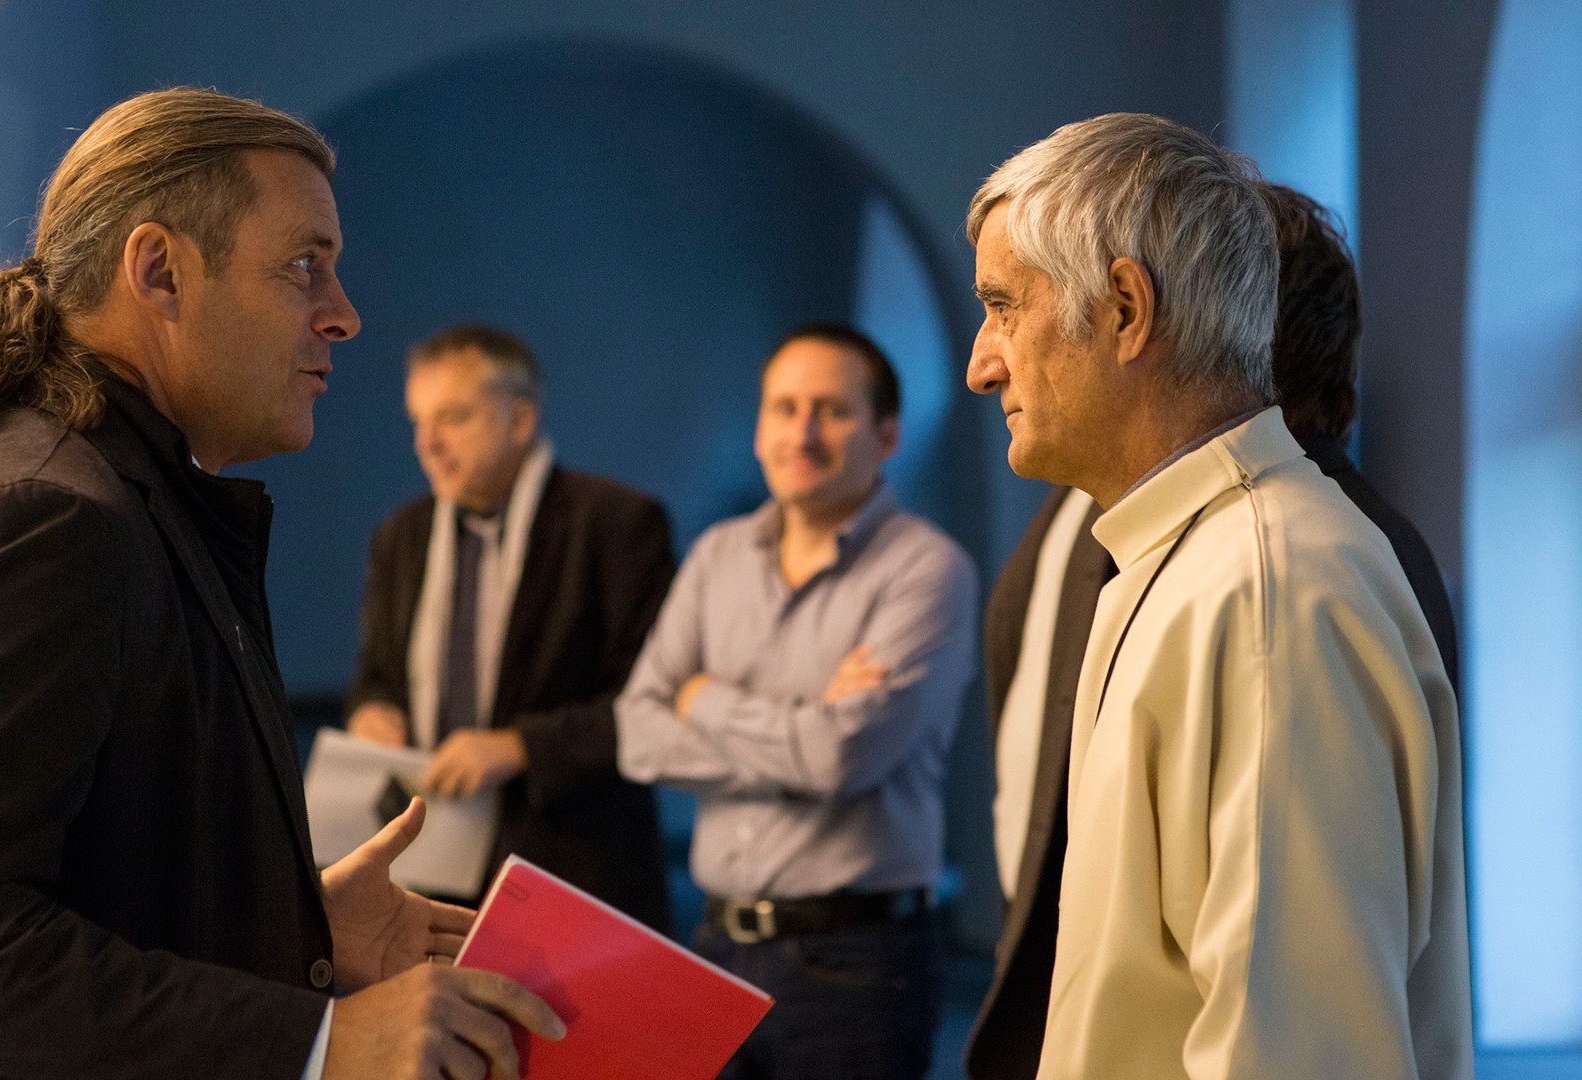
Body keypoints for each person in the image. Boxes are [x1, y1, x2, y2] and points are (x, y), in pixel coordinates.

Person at [0, 88, 561, 1080]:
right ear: (158, 269)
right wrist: (322, 1039)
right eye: (303, 265)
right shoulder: (43, 515)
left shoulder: (87, 485)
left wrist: (288, 928)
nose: (344, 314)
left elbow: (72, 875)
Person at [963, 113, 1471, 1079]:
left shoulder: (1268, 597)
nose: (984, 363)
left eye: (1004, 306)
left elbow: (1299, 1057)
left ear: (1123, 309)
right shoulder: (1188, 561)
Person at [617, 324, 977, 1080]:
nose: (802, 432)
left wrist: (704, 699)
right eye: (784, 408)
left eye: (831, 411)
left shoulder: (928, 570)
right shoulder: (718, 556)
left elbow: (842, 757)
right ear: (758, 430)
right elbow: (637, 735)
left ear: (885, 435)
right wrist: (802, 733)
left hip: (858, 966)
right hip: (714, 944)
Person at [346, 325, 673, 927]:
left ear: (520, 420)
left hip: (569, 872)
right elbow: (379, 674)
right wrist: (371, 710)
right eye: (418, 420)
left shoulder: (618, 523)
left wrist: (517, 746)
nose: (428, 443)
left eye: (453, 417)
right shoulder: (402, 533)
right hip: (429, 873)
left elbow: (652, 705)